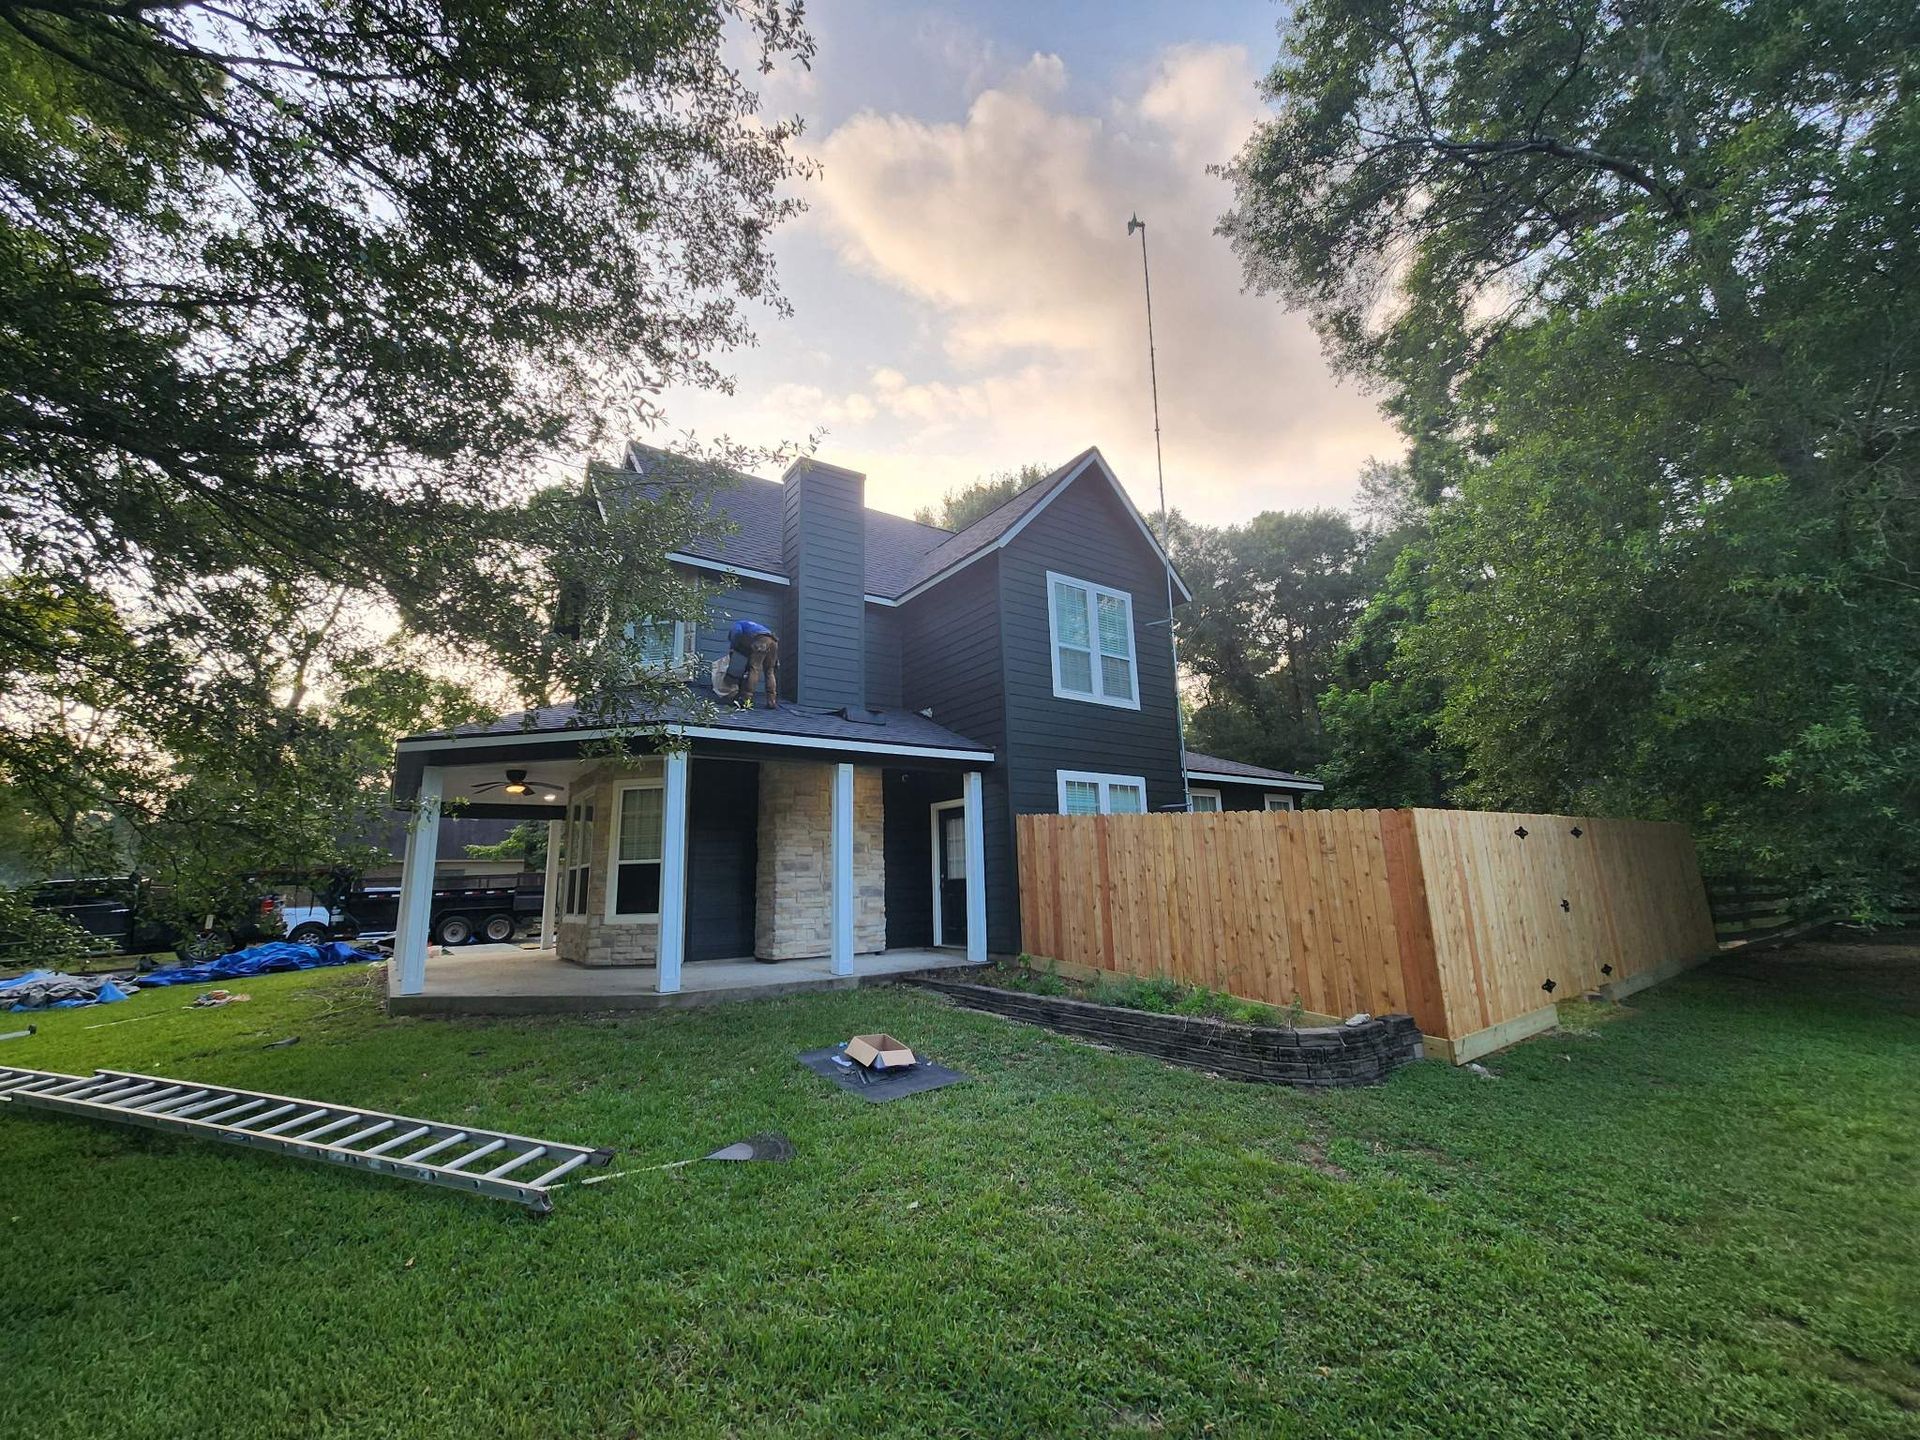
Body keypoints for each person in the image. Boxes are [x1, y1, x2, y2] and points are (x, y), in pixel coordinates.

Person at [726, 619, 779, 709]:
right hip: (773, 641)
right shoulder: (750, 626)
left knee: (754, 668)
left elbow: (737, 633)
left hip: (761, 640)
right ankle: (772, 701)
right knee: (769, 671)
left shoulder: (736, 625)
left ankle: (746, 699)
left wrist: (733, 647)